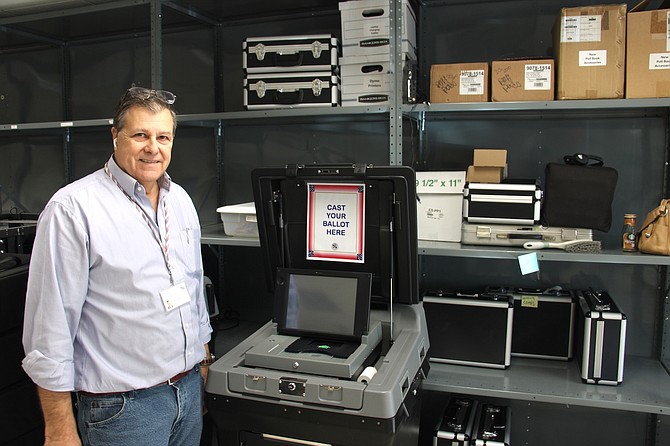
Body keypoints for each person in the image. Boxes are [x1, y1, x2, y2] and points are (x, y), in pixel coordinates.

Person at [22, 86, 214, 446]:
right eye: (140, 135)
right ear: (115, 136)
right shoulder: (73, 210)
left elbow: (192, 287)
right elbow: (49, 328)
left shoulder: (181, 200)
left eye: (163, 137)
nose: (152, 148)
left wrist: (203, 360)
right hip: (124, 410)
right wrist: (59, 428)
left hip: (187, 391)